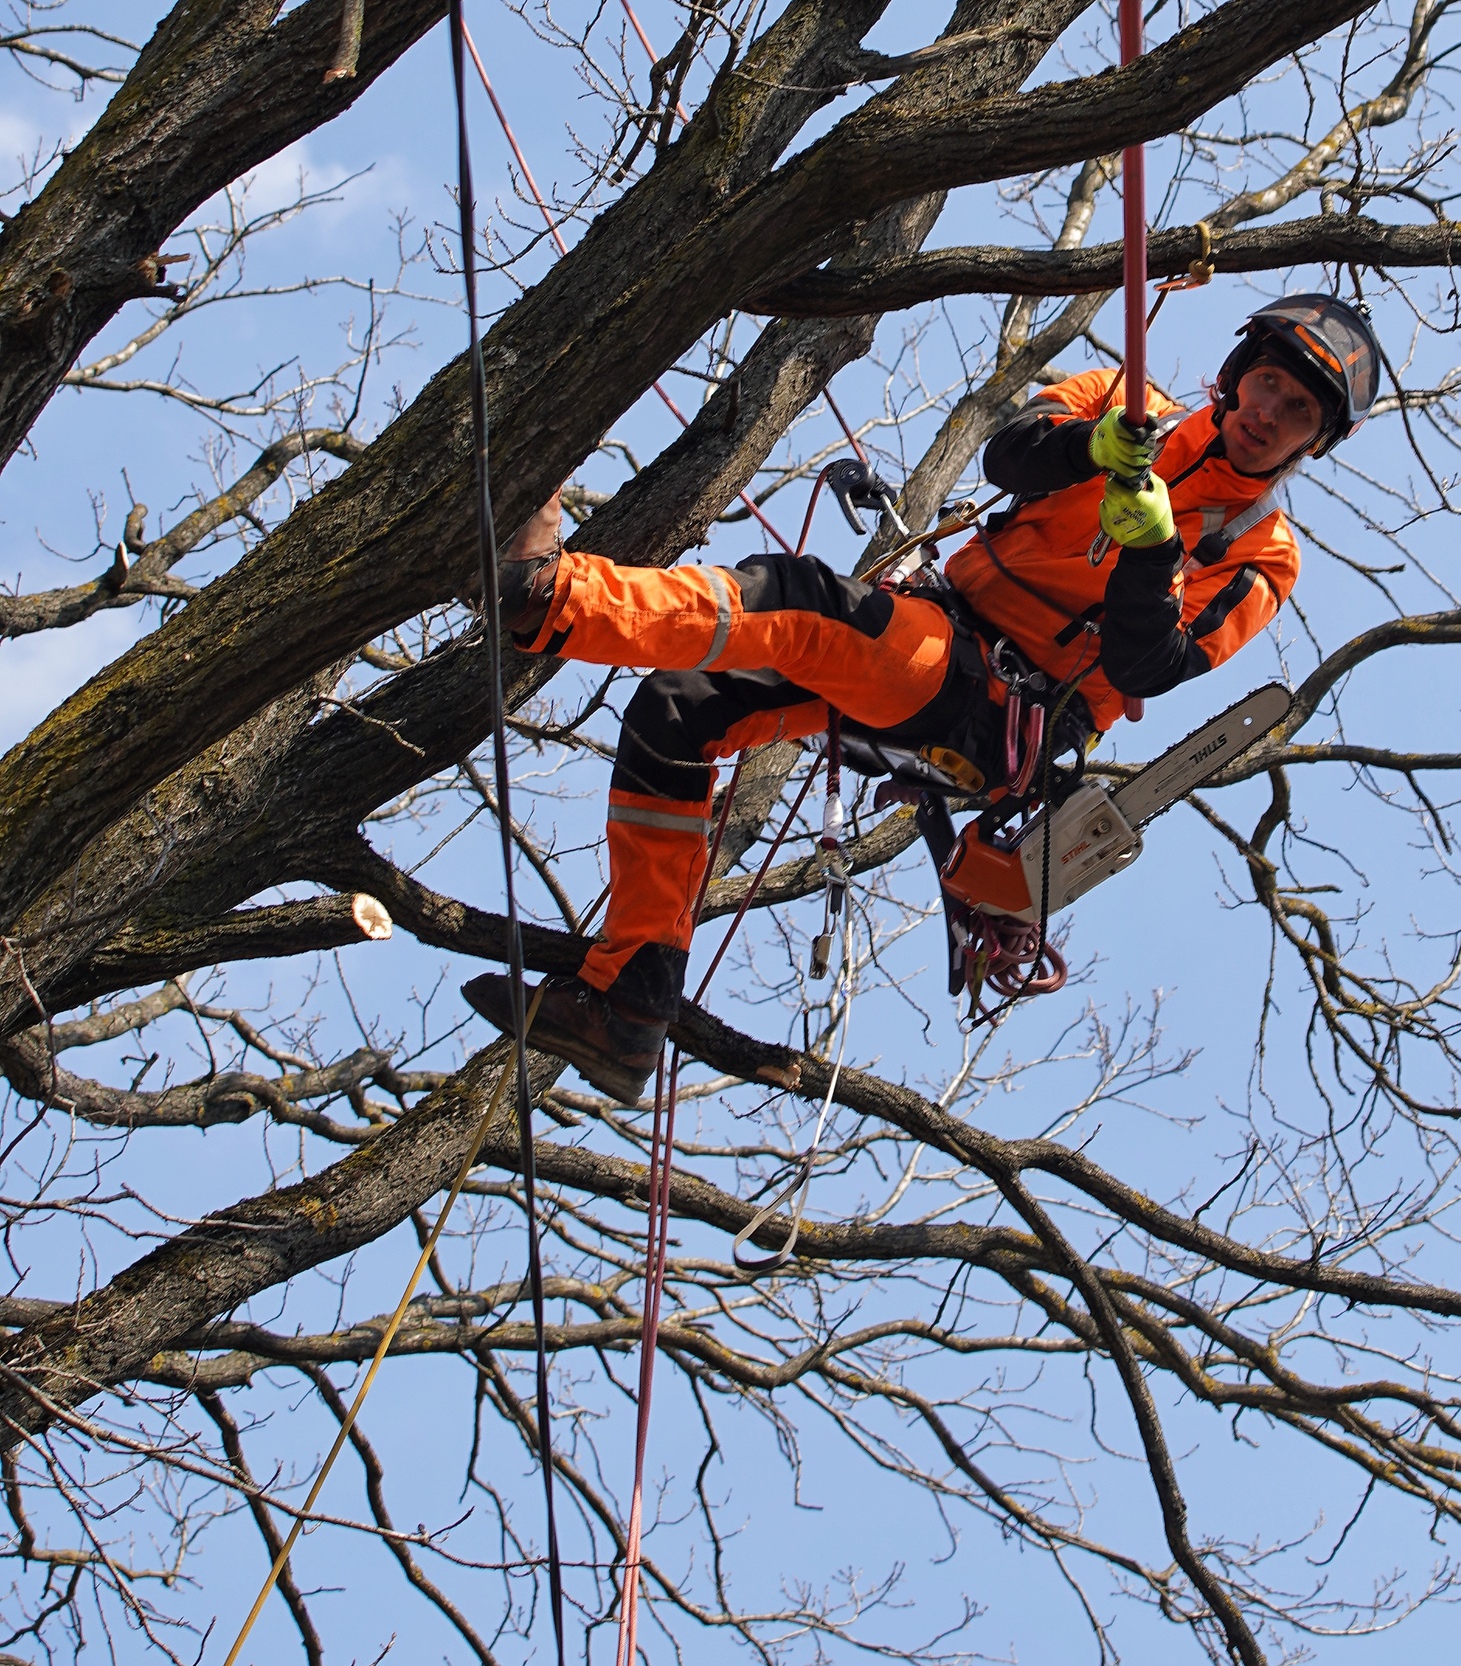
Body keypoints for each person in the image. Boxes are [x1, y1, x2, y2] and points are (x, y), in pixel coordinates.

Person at [463, 295, 1380, 1099]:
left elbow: (1154, 668)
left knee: (798, 603)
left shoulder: (1264, 556)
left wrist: (1149, 557)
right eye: (1267, 383)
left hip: (1001, 705)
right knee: (678, 711)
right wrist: (1089, 449)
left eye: (1298, 410)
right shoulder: (1123, 403)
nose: (1271, 412)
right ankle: (630, 1000)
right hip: (936, 632)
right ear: (1235, 374)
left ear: (1317, 439)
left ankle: (552, 598)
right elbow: (1008, 456)